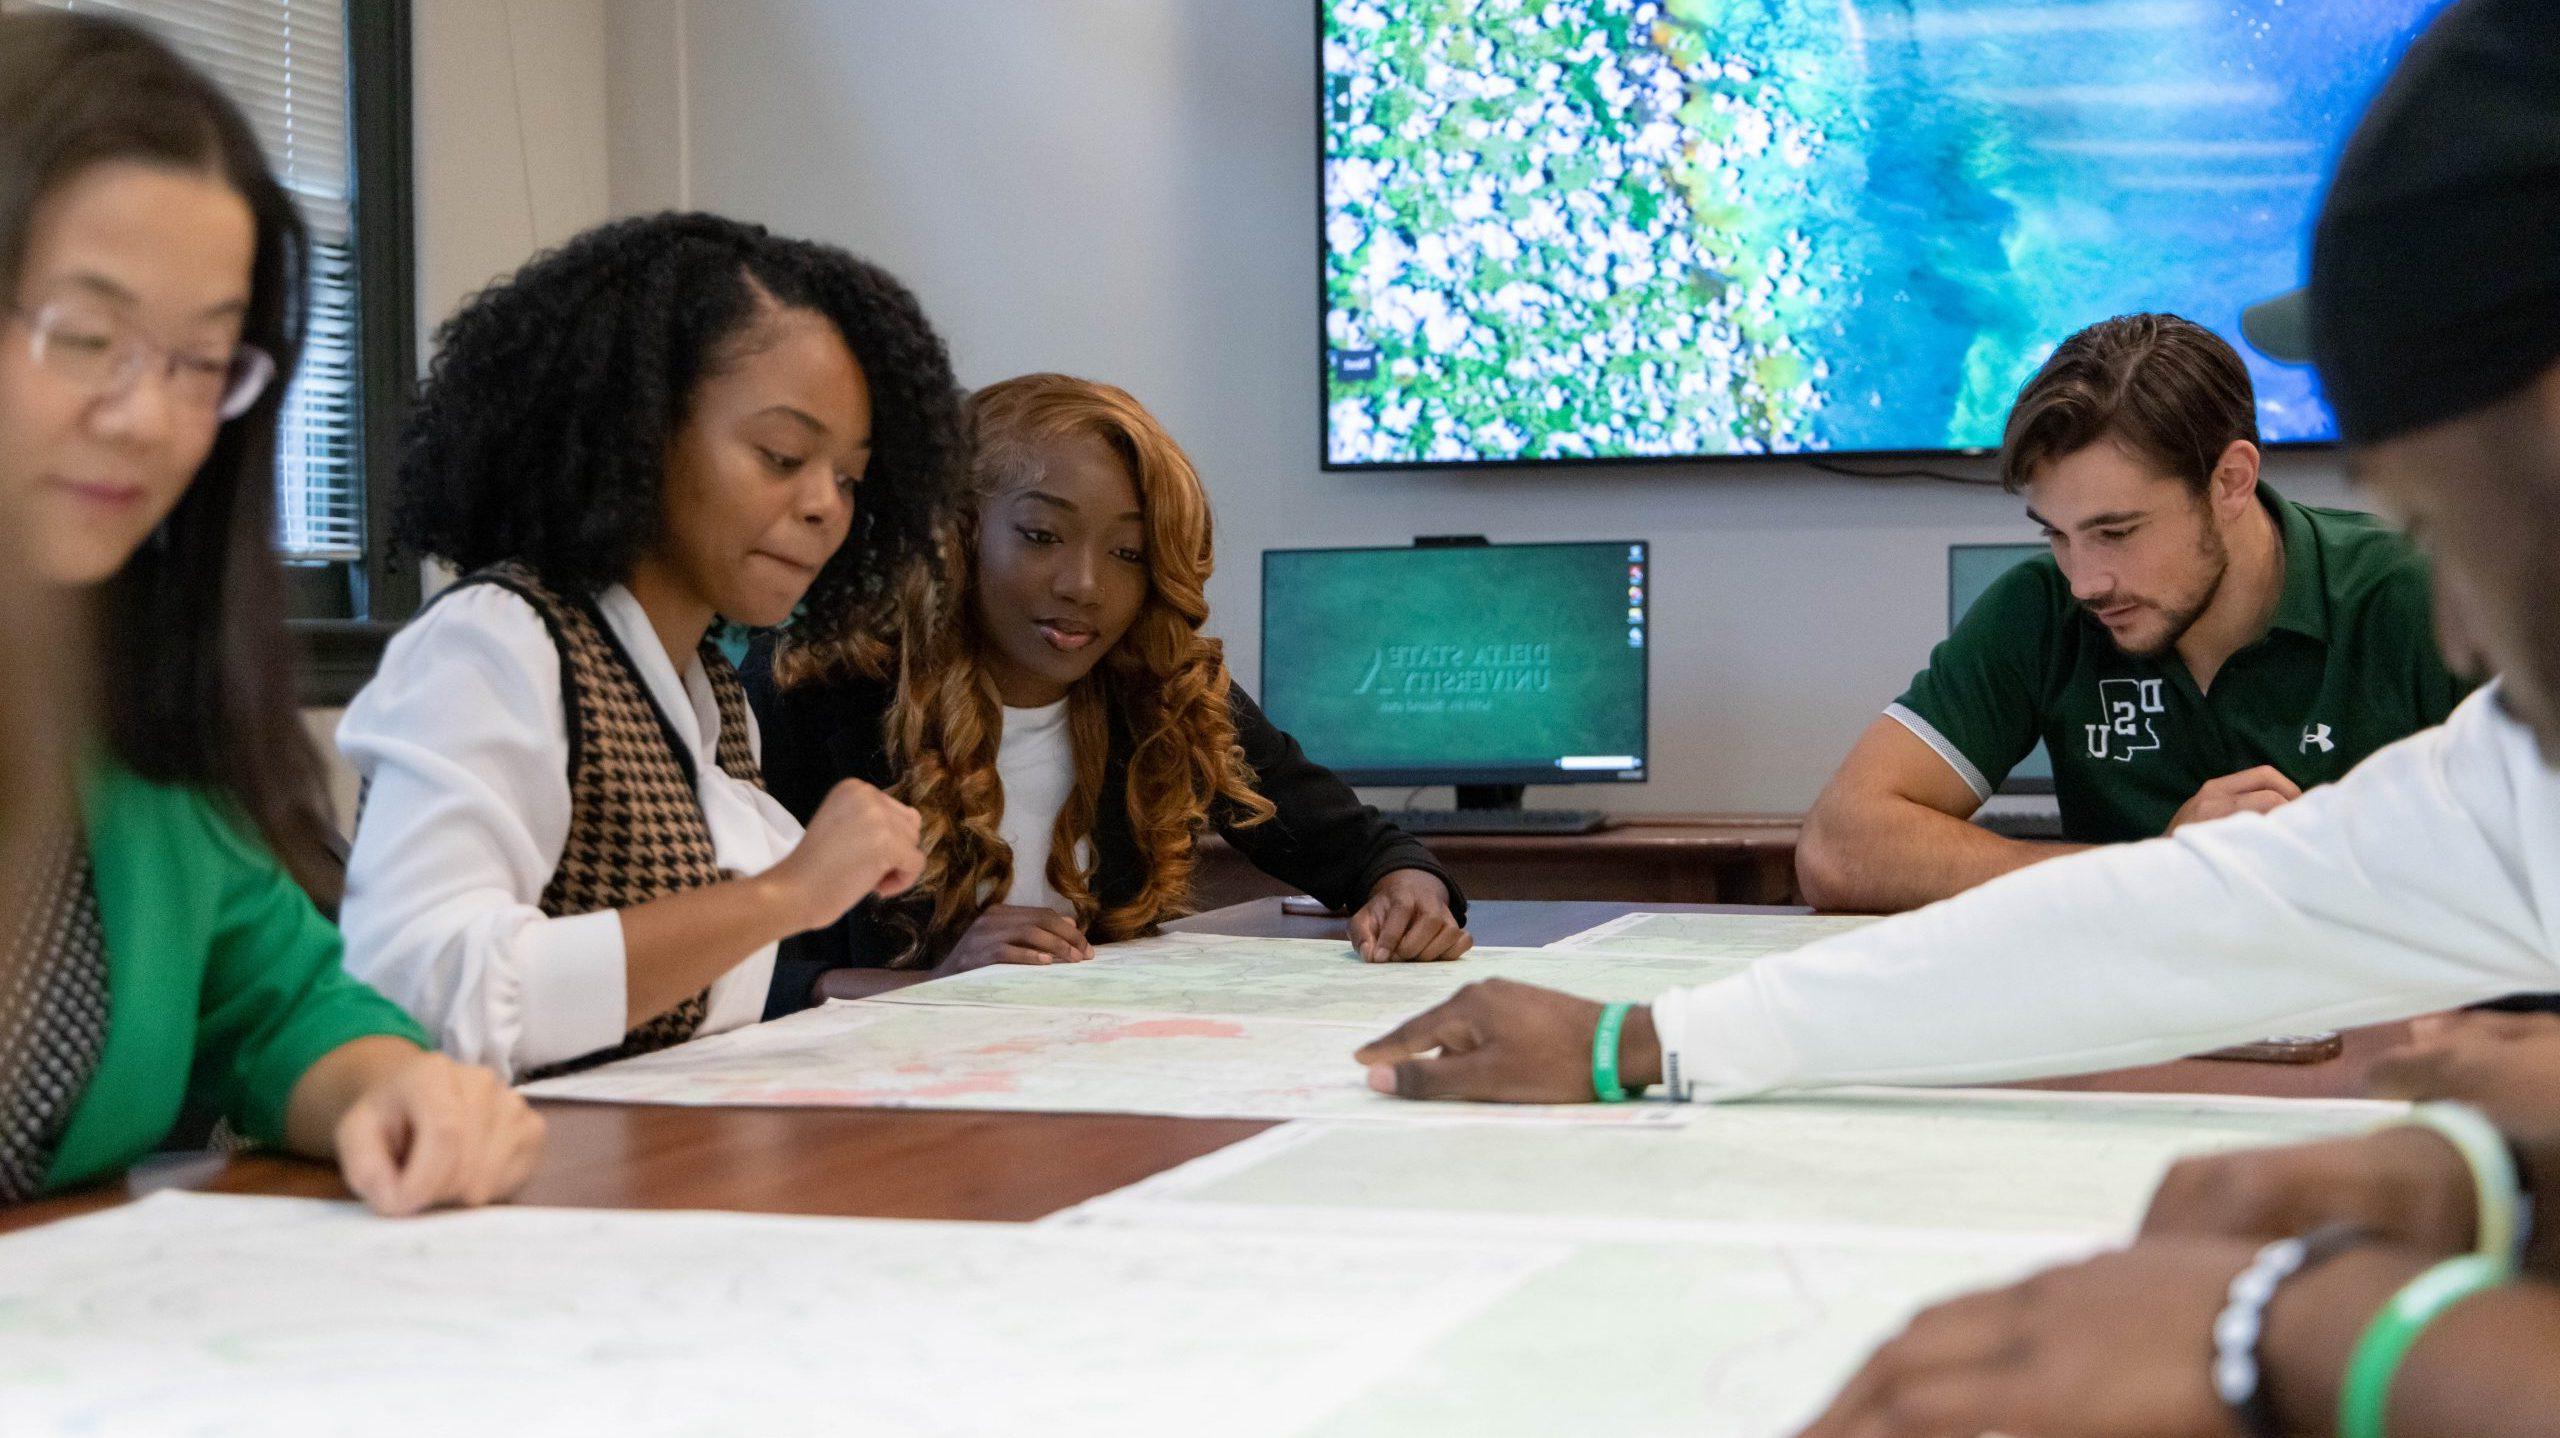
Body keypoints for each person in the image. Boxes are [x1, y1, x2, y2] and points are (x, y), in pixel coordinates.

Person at [0, 10, 541, 1214]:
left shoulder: (134, 728)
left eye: (202, 363)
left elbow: (283, 1001)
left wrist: (394, 1087)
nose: (149, 418)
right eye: (86, 336)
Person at [337, 213, 961, 1081]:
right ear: (633, 430)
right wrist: (785, 895)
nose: (826, 504)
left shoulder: (709, 686)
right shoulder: (497, 643)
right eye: (783, 455)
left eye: (850, 477)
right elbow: (413, 997)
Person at [753, 372, 1469, 1002]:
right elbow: (691, 972)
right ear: (958, 533)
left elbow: (1361, 849)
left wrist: (1408, 892)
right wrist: (925, 983)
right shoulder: (815, 688)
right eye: (1041, 536)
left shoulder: (1162, 691)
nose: (1085, 586)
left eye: (1129, 552)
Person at [1794, 313, 2468, 913]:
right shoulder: (2041, 609)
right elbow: (1839, 847)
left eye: (2117, 533)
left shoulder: (2417, 594)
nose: (2086, 582)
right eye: (2057, 534)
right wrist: (2155, 872)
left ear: (2230, 481)